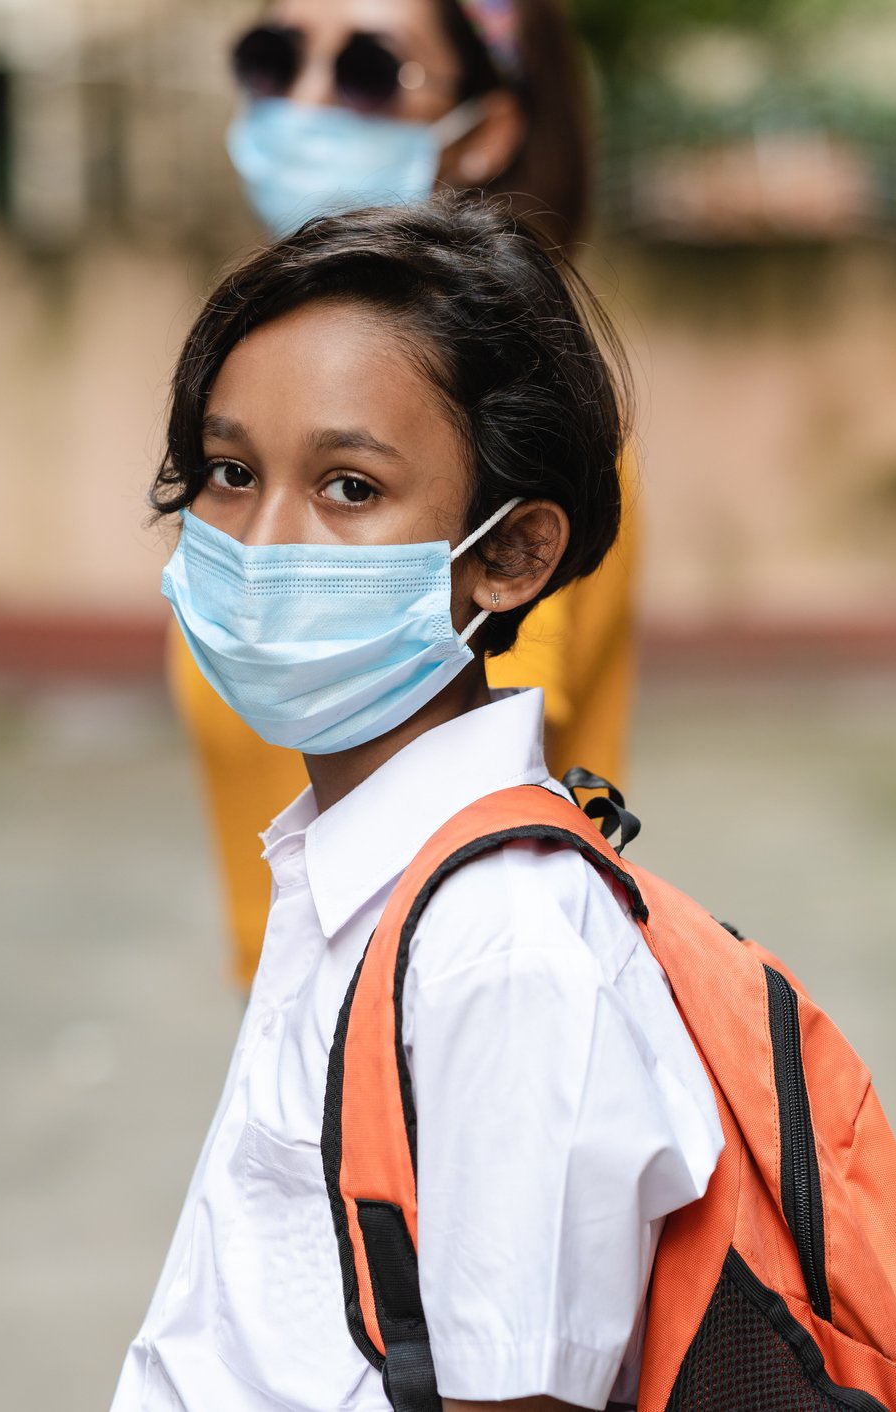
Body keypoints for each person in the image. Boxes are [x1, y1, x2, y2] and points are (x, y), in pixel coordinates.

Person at [113, 197, 720, 1412]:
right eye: (231, 472)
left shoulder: (501, 953)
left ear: (509, 554)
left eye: (347, 487)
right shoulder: (356, 873)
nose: (265, 539)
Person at [173, 0, 638, 985]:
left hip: (425, 987)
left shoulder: (510, 430)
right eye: (274, 56)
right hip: (305, 983)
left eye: (368, 71)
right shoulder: (268, 389)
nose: (304, 103)